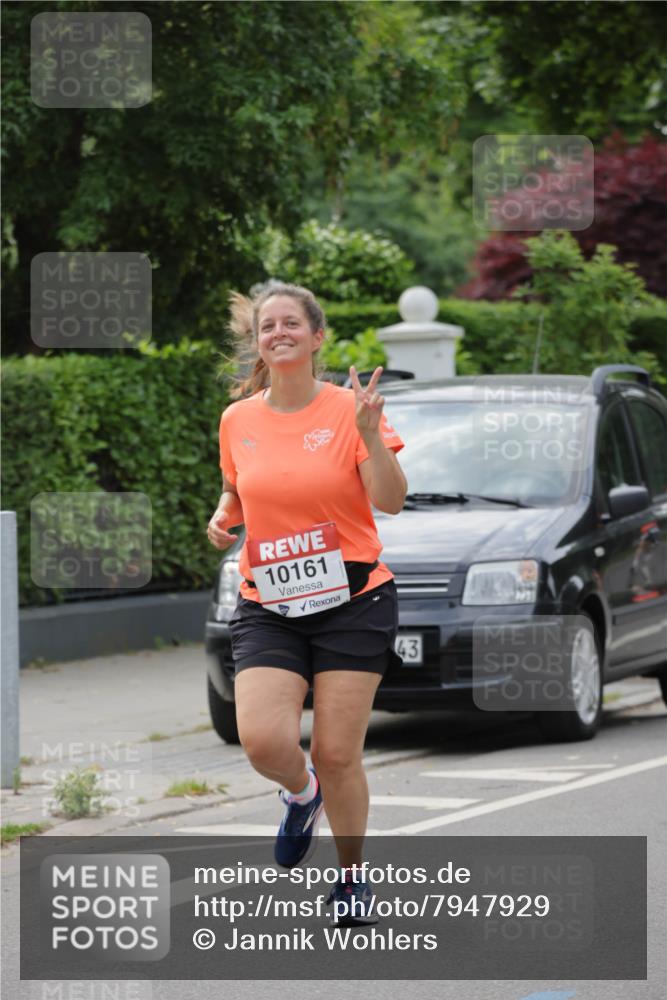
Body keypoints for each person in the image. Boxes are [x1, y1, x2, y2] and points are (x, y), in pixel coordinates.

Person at [207, 282, 407, 926]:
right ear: (259, 342)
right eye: (268, 327)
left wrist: (371, 435)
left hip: (352, 597)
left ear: (317, 337)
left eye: (292, 323)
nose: (279, 333)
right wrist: (222, 516)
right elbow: (239, 489)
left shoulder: (353, 407)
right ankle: (300, 796)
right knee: (263, 740)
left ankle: (352, 880)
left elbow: (392, 499)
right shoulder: (238, 419)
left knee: (338, 751)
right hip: (270, 597)